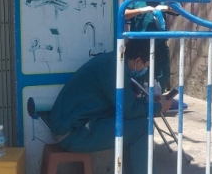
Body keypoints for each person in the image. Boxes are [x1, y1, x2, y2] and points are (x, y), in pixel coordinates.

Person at [47, 39, 172, 174]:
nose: (144, 70)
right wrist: (158, 108)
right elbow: (129, 111)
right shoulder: (115, 69)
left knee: (135, 126)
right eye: (146, 66)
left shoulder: (113, 62)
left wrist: (150, 102)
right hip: (74, 134)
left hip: (79, 126)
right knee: (143, 126)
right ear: (138, 61)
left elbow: (126, 104)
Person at [124, 0, 172, 91]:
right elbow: (124, 14)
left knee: (161, 74)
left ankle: (158, 98)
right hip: (139, 45)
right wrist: (141, 10)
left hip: (159, 44)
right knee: (140, 76)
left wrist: (166, 8)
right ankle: (140, 98)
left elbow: (177, 10)